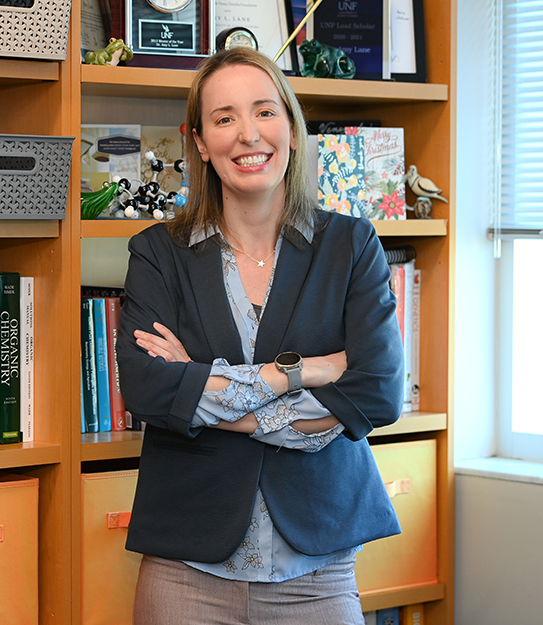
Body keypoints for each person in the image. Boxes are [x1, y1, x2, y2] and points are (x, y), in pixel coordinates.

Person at [115, 47, 406, 625]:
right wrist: (303, 372)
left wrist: (200, 394)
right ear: (199, 142)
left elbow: (376, 395)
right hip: (185, 568)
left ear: (292, 130)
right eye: (224, 118)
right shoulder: (158, 252)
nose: (248, 134)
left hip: (316, 569)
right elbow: (149, 392)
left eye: (265, 112)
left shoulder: (351, 245)